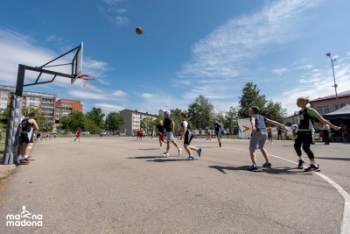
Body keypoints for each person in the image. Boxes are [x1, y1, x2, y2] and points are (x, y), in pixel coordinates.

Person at [294, 97, 341, 172]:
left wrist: (333, 127)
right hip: (300, 131)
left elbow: (322, 119)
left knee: (306, 147)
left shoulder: (310, 110)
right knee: (296, 146)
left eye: (298, 101)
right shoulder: (300, 111)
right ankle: (301, 160)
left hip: (308, 131)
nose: (297, 103)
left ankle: (314, 165)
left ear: (304, 101)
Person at [247, 106, 288, 171]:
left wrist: (254, 127)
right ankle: (268, 162)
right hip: (264, 132)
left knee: (252, 149)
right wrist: (282, 125)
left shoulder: (252, 116)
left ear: (252, 111)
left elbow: (253, 120)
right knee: (262, 147)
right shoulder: (262, 116)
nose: (249, 112)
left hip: (257, 132)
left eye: (249, 110)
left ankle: (254, 165)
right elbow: (272, 121)